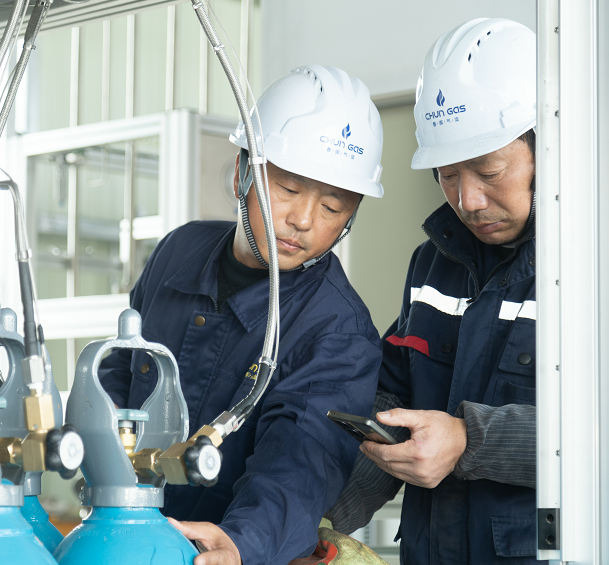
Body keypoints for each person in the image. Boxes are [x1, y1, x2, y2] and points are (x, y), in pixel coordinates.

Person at [99, 65, 386, 565]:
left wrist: (243, 542)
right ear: (242, 172)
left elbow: (305, 457)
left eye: (333, 207)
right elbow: (121, 371)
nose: (303, 220)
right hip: (119, 535)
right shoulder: (179, 251)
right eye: (288, 189)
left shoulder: (339, 330)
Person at [326, 18, 540, 564]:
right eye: (447, 175)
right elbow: (392, 406)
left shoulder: (589, 272)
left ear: (551, 148)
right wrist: (316, 522)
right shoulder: (433, 264)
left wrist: (469, 440)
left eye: (488, 170)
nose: (467, 201)